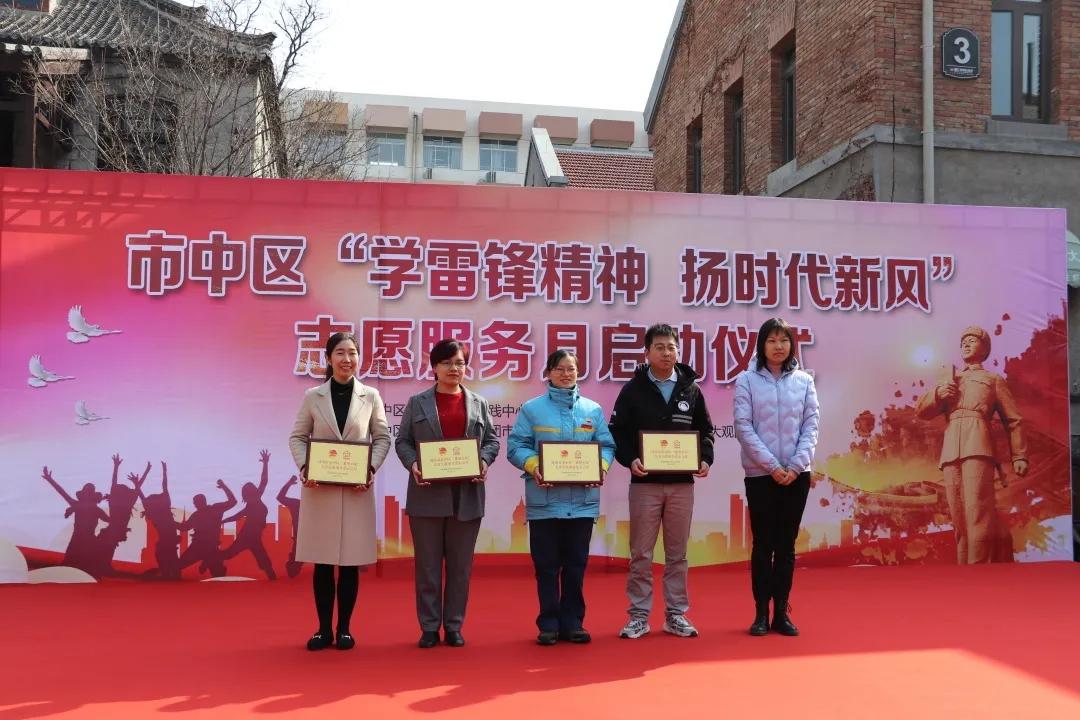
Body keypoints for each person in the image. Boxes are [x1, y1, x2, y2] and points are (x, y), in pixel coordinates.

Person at [609, 324, 714, 640]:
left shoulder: (691, 389)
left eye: (671, 347)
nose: (666, 353)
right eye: (659, 347)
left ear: (678, 351)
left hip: (682, 485)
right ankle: (639, 616)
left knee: (677, 554)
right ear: (647, 352)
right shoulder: (633, 389)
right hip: (645, 484)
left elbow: (706, 431)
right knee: (641, 553)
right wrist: (631, 459)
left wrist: (705, 459)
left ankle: (676, 614)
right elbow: (617, 432)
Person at [289, 332, 391, 651]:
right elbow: (297, 437)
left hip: (356, 490)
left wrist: (370, 468)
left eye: (353, 353)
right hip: (320, 490)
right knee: (322, 563)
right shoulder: (313, 396)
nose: (347, 359)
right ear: (329, 358)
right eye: (340, 353)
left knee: (349, 563)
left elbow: (382, 438)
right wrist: (305, 467)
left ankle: (344, 629)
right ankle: (323, 630)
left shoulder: (371, 396)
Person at [395, 339, 499, 649]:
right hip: (427, 496)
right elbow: (403, 442)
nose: (454, 368)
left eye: (460, 363)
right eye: (447, 363)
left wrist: (483, 461)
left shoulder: (478, 403)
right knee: (427, 567)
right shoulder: (418, 403)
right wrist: (413, 464)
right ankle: (429, 627)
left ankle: (454, 625)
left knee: (460, 568)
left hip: (466, 497)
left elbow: (492, 441)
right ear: (434, 367)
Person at [507, 350, 615, 646]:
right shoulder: (532, 409)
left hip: (582, 503)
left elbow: (606, 446)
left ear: (578, 372)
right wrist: (534, 466)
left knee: (576, 565)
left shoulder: (592, 410)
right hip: (544, 502)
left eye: (571, 369)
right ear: (548, 373)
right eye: (559, 369)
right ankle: (549, 623)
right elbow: (516, 446)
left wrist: (601, 467)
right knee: (546, 566)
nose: (566, 374)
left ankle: (573, 622)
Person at [733, 317, 819, 637]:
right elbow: (743, 426)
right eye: (772, 340)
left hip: (796, 475)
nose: (778, 346)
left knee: (786, 546)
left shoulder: (804, 381)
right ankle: (760, 614)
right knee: (763, 545)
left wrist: (795, 466)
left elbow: (811, 425)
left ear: (792, 345)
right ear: (762, 345)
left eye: (784, 340)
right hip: (760, 475)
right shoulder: (746, 381)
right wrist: (772, 466)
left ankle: (781, 613)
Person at [915, 325, 1027, 564]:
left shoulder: (993, 380)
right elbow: (921, 411)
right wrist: (938, 394)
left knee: (977, 512)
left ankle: (979, 571)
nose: (965, 344)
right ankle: (965, 570)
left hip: (978, 443)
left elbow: (1013, 420)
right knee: (958, 516)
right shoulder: (950, 379)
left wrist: (1019, 455)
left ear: (984, 349)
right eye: (963, 341)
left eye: (972, 340)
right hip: (951, 447)